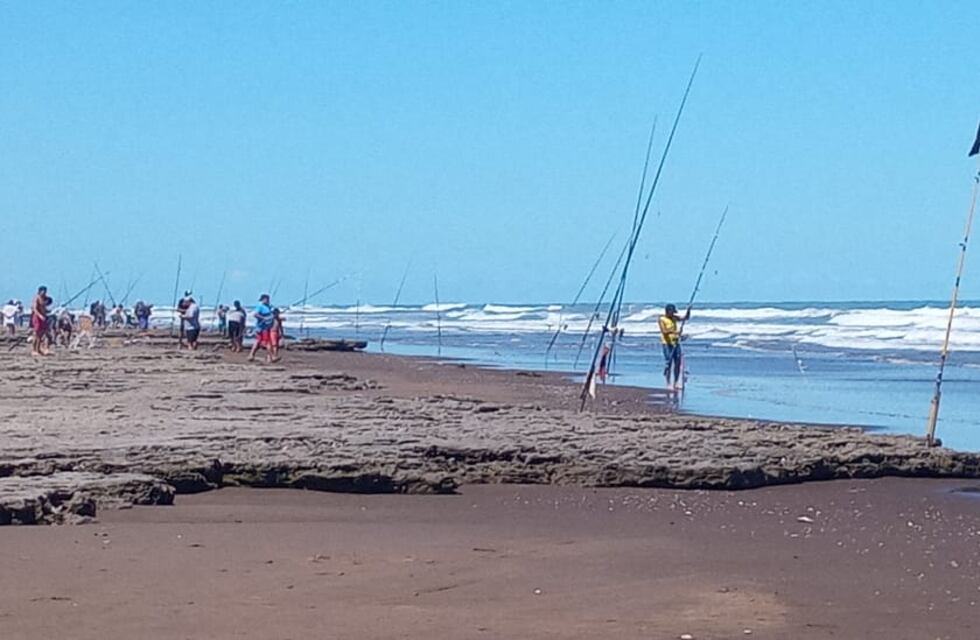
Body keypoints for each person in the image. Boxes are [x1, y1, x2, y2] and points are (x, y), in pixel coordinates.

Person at [658, 303, 690, 392]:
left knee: (678, 362)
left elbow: (685, 318)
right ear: (668, 311)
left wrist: (688, 311)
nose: (673, 314)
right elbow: (664, 331)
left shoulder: (674, 318)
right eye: (672, 312)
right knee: (669, 362)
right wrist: (675, 332)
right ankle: (668, 383)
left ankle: (676, 382)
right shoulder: (662, 319)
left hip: (676, 342)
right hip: (667, 343)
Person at [248, 294, 276, 363]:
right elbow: (255, 314)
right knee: (267, 342)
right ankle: (272, 357)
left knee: (258, 342)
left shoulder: (269, 307)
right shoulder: (260, 306)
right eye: (267, 299)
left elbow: (272, 313)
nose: (268, 300)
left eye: (268, 299)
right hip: (261, 327)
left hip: (267, 327)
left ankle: (251, 355)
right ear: (263, 299)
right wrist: (263, 318)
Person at [31, 286, 50, 356]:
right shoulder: (36, 298)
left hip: (43, 317)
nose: (44, 293)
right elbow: (35, 309)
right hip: (37, 318)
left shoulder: (44, 299)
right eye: (43, 291)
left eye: (45, 291)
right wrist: (40, 316)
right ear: (40, 291)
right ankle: (33, 350)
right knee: (36, 334)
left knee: (41, 334)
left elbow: (44, 308)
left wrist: (47, 312)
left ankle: (38, 349)